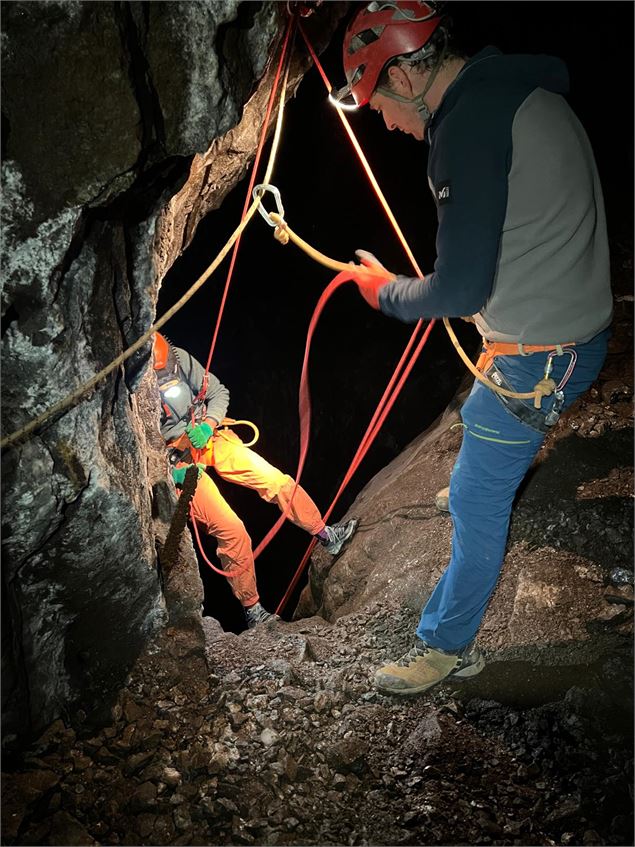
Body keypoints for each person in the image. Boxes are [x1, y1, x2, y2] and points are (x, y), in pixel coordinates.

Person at [335, 1, 613, 694]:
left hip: (542, 355)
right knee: (478, 428)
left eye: (378, 105)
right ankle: (477, 471)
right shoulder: (516, 88)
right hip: (569, 327)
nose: (387, 124)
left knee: (475, 501)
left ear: (401, 72)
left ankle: (444, 646)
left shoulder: (466, 128)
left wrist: (381, 291)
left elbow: (457, 291)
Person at [153, 333, 358, 629]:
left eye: (169, 370)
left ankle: (326, 535)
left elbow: (219, 392)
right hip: (177, 460)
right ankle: (253, 610)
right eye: (161, 375)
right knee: (231, 529)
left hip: (206, 436)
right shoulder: (137, 391)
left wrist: (209, 424)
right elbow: (139, 459)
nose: (168, 376)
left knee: (273, 479)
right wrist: (172, 473)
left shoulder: (179, 359)